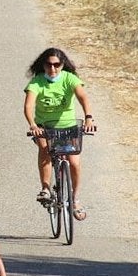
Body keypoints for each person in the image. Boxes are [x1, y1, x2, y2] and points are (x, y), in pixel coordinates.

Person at [24, 47, 96, 220]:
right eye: (49, 64)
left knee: (74, 162)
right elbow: (28, 106)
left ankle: (75, 199)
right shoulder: (37, 82)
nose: (53, 68)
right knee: (44, 149)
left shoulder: (70, 79)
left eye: (57, 64)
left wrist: (88, 118)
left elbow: (83, 97)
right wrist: (33, 125)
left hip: (68, 127)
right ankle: (46, 188)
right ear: (44, 65)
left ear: (63, 65)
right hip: (45, 127)